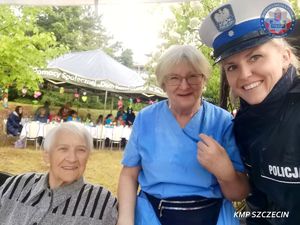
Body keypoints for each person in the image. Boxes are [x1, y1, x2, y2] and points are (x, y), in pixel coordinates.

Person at [117, 45, 249, 225]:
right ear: (163, 83)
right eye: (174, 78)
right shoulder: (145, 119)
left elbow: (239, 193)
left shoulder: (222, 122)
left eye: (193, 76)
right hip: (153, 216)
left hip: (214, 216)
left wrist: (225, 172)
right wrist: (125, 220)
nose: (184, 85)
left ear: (204, 80)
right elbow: (129, 175)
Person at [199, 0, 300, 224]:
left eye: (255, 57)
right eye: (232, 66)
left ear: (284, 56)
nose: (244, 75)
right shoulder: (244, 124)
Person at [0, 122, 118, 225]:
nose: (72, 158)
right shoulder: (16, 185)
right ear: (47, 155)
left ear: (88, 156)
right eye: (63, 149)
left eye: (81, 150)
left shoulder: (102, 203)